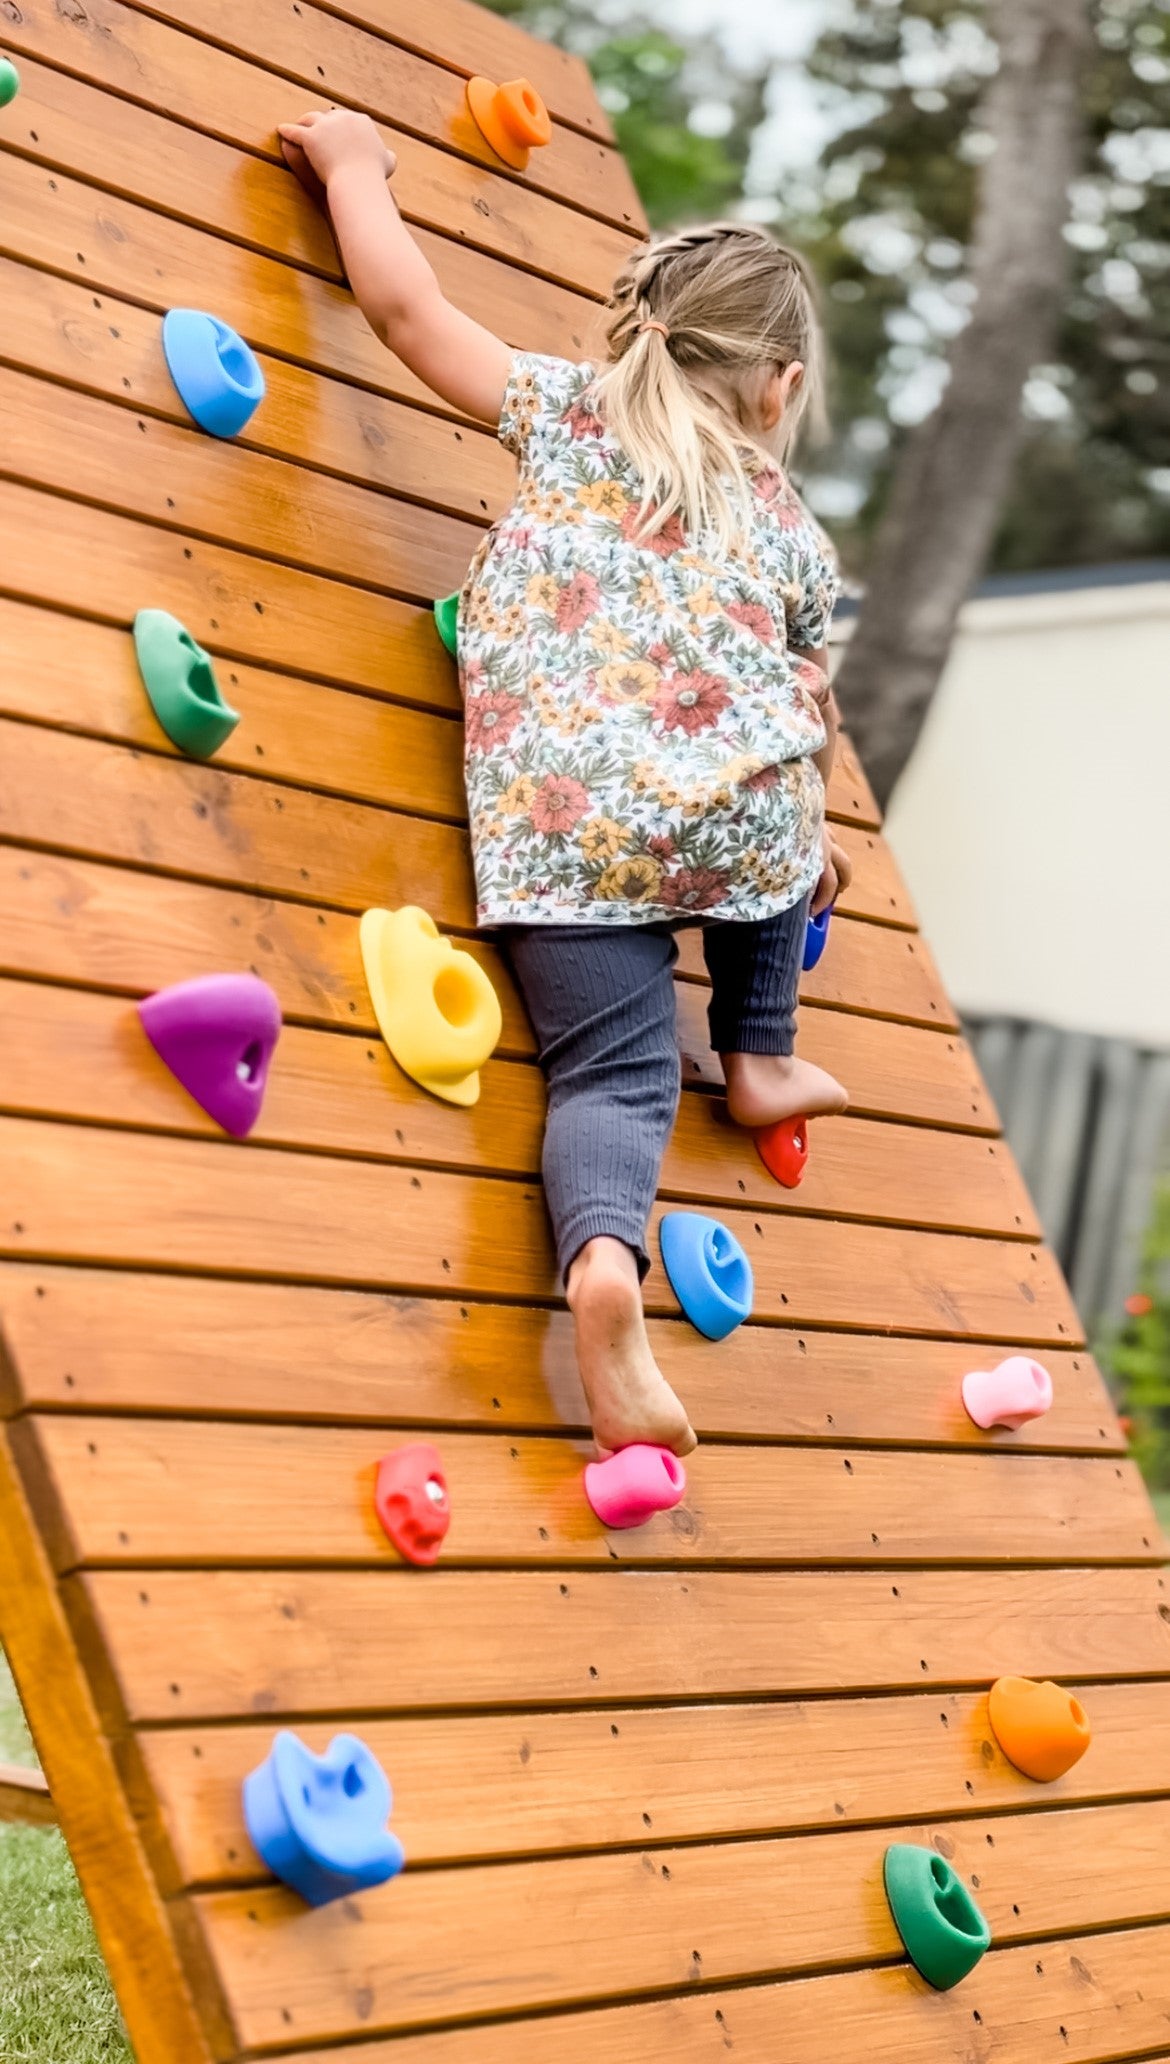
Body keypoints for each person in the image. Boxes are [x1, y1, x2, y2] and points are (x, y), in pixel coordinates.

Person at [280, 107, 852, 1462]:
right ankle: (760, 1052)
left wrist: (357, 167)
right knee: (780, 817)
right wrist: (803, 847)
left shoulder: (559, 413)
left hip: (561, 828)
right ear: (775, 388)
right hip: (724, 817)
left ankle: (605, 1263)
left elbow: (408, 310)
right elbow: (806, 698)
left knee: (608, 1078)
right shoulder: (782, 521)